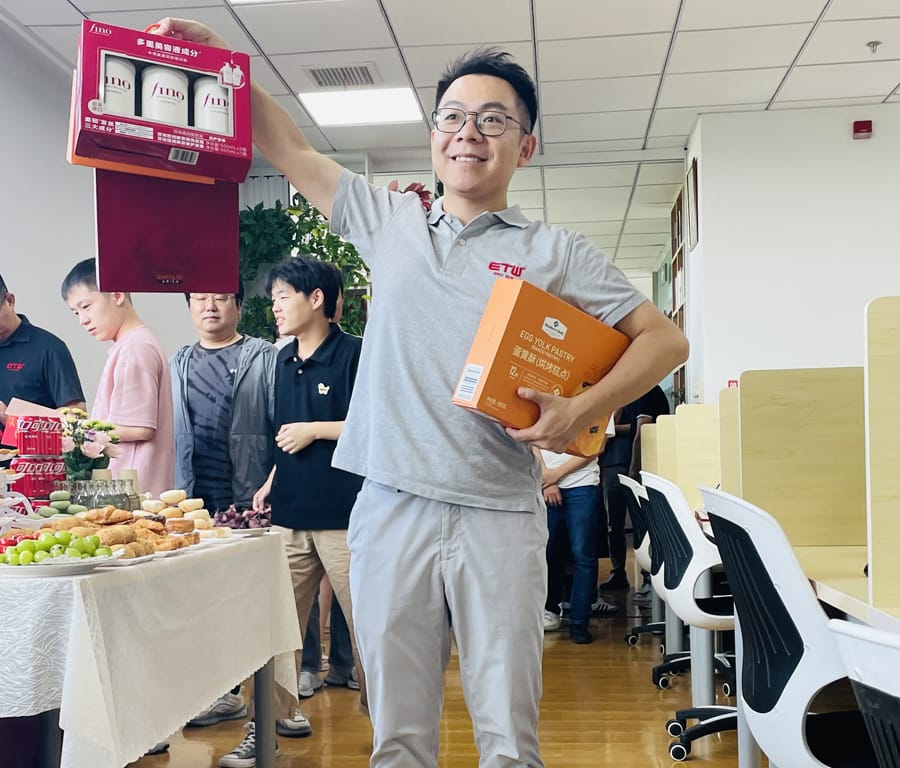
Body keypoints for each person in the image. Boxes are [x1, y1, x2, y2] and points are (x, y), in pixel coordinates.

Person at [155, 18, 689, 766]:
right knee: (398, 735)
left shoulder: (555, 252)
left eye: (494, 120)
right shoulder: (389, 219)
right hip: (390, 507)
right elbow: (291, 150)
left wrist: (580, 409)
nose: (470, 133)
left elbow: (665, 340)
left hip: (498, 512)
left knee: (510, 739)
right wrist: (223, 60)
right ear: (435, 135)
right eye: (454, 117)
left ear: (525, 147)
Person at [218, 257, 364, 767]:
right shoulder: (281, 360)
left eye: (283, 297)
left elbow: (374, 425)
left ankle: (395, 732)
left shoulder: (355, 355)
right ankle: (264, 730)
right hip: (289, 515)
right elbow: (285, 433)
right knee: (276, 633)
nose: (275, 307)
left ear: (316, 298)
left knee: (371, 632)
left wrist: (316, 430)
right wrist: (272, 479)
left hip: (347, 519)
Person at [170, 284, 277, 728]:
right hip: (197, 497)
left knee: (261, 595)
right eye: (199, 299)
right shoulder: (180, 361)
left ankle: (282, 696)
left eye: (219, 297)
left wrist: (272, 481)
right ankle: (224, 691)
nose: (209, 306)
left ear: (238, 305)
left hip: (249, 496)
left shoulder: (263, 356)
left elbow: (285, 423)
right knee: (208, 597)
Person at [60, 259, 174, 498]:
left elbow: (140, 428)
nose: (83, 320)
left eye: (86, 306)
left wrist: (79, 431)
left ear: (117, 294)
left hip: (132, 493)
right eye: (76, 313)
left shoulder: (134, 348)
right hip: (134, 489)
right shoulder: (131, 344)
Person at [599, 385, 671, 592]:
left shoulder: (648, 391)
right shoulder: (619, 393)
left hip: (634, 465)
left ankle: (647, 576)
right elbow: (609, 428)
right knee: (617, 525)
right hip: (614, 463)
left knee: (642, 524)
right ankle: (622, 574)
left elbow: (641, 432)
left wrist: (634, 468)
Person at [0, 273, 85, 429]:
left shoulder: (48, 348)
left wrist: (12, 419)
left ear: (10, 301)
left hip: (28, 444)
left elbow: (76, 415)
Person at [538, 448, 606, 644]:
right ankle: (549, 610)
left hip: (583, 484)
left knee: (583, 556)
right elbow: (532, 442)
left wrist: (554, 476)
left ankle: (579, 621)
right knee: (548, 552)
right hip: (545, 482)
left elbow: (595, 448)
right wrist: (548, 480)